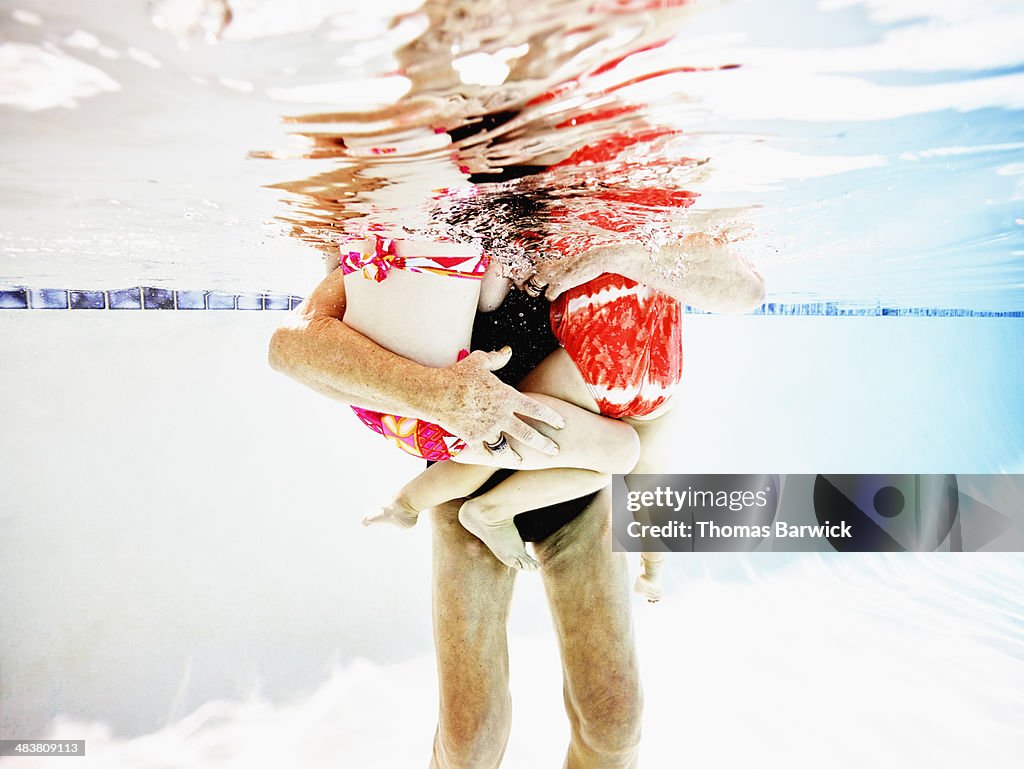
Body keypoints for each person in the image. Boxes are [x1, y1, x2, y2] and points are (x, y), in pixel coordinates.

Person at [269, 229, 763, 767]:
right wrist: (437, 394)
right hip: (467, 486)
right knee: (469, 743)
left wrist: (617, 251)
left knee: (615, 725)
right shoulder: (442, 221)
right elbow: (290, 345)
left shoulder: (604, 213)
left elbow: (748, 288)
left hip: (580, 479)